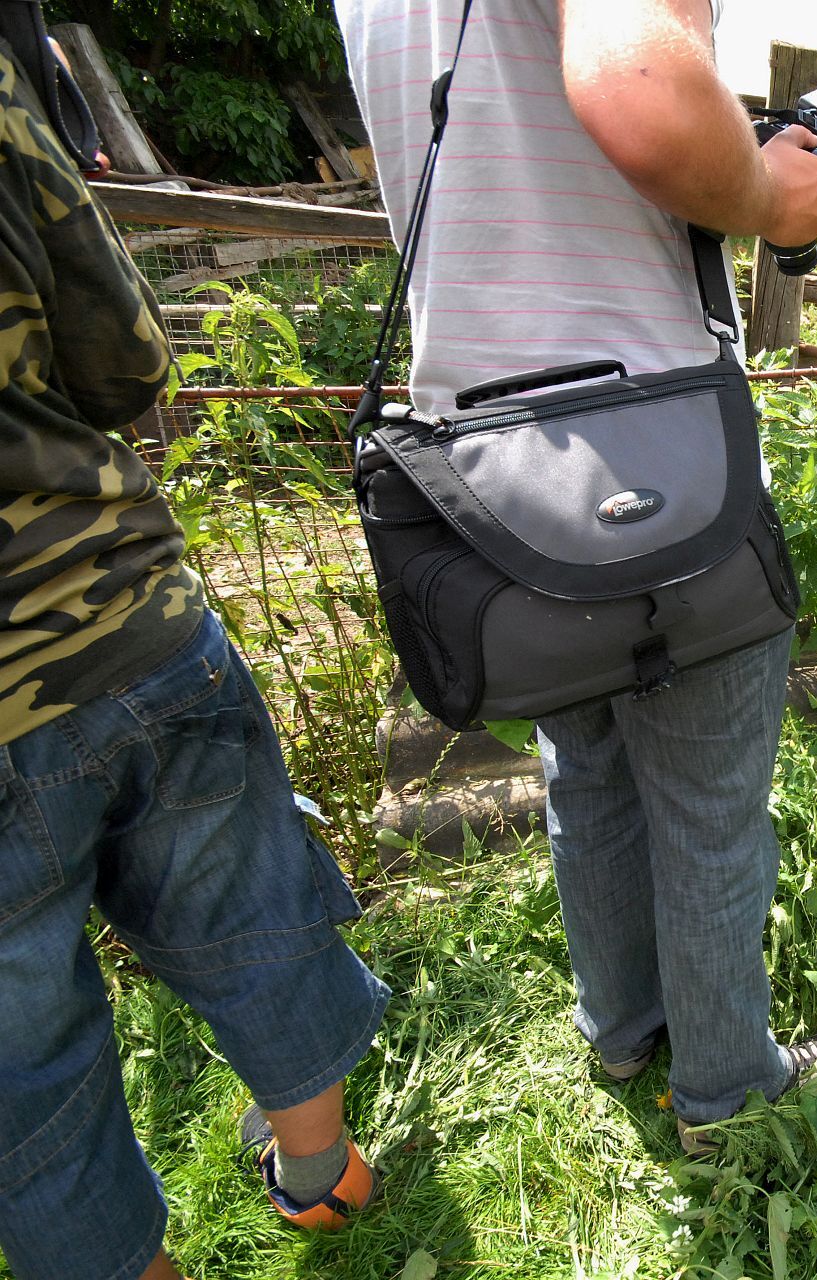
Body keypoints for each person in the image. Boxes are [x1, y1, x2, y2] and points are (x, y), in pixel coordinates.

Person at [335, 0, 817, 1155]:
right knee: (711, 814)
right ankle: (727, 1093)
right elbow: (639, 93)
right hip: (663, 441)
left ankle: (622, 1027)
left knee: (586, 774)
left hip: (494, 471)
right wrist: (770, 192)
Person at [0, 39, 391, 1280]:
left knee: (24, 1068)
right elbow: (129, 356)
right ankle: (323, 1177)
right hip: (118, 609)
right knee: (248, 903)